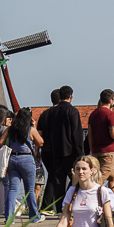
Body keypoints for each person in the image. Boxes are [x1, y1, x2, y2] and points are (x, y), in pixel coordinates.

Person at [39, 85, 83, 213]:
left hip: (55, 151)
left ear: (59, 96)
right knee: (76, 179)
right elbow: (76, 133)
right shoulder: (73, 111)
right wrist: (80, 153)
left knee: (58, 180)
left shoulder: (51, 112)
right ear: (71, 96)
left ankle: (59, 208)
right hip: (70, 151)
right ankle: (69, 202)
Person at [2, 107, 44, 221]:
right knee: (29, 189)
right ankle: (34, 216)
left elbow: (0, 142)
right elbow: (40, 142)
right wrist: (34, 128)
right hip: (26, 158)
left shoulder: (10, 129)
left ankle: (9, 217)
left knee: (13, 188)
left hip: (12, 158)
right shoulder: (30, 129)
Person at [87, 89, 114, 193]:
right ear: (111, 100)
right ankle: (85, 197)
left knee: (112, 177)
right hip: (108, 151)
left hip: (96, 150)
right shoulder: (110, 114)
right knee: (99, 180)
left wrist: (92, 149)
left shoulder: (92, 114)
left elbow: (90, 134)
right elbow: (113, 135)